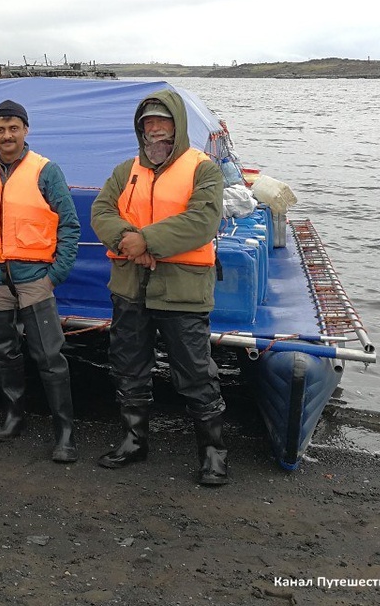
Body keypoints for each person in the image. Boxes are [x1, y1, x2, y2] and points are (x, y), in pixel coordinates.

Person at [89, 90, 228, 485]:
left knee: (196, 373)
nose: (155, 130)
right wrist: (129, 242)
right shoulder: (124, 170)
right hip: (131, 288)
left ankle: (213, 453)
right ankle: (134, 441)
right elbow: (102, 211)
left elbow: (201, 222)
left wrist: (145, 241)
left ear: (177, 126)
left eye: (162, 122)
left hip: (182, 293)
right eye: (148, 124)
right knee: (129, 366)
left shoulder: (204, 170)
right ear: (140, 130)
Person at [0, 99, 81, 463]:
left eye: (14, 128)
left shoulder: (46, 170)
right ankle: (14, 416)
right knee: (4, 351)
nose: (7, 135)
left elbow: (70, 225)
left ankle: (65, 431)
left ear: (25, 130)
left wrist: (54, 276)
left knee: (48, 354)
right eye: (0, 129)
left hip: (34, 279)